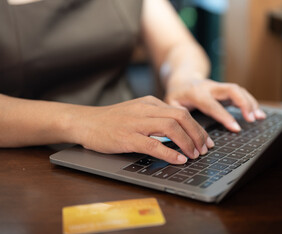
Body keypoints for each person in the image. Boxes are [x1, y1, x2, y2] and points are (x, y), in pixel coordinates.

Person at [0, 0, 266, 164]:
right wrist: (84, 122)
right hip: (25, 157)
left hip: (131, 147)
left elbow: (175, 45)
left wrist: (186, 77)